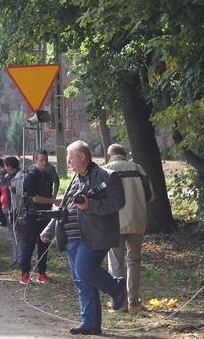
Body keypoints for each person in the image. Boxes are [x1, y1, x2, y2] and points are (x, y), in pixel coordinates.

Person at [40, 140, 126, 336]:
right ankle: (91, 324)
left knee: (85, 269)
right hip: (71, 237)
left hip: (94, 235)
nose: (68, 161)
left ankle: (116, 288)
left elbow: (117, 202)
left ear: (82, 157)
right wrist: (50, 229)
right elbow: (64, 208)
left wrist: (91, 206)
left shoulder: (107, 176)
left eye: (70, 157)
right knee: (81, 280)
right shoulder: (75, 178)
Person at [104, 143, 155, 312]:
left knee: (115, 263)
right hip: (136, 220)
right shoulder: (138, 168)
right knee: (134, 261)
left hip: (113, 222)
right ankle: (134, 300)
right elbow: (150, 195)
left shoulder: (105, 170)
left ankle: (120, 303)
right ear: (124, 155)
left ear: (110, 156)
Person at [20, 149, 61, 285]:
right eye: (41, 160)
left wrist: (52, 198)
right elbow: (35, 198)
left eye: (46, 160)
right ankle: (25, 273)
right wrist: (53, 201)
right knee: (30, 244)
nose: (44, 162)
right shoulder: (31, 176)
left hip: (46, 214)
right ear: (35, 161)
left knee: (44, 243)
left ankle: (42, 272)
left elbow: (54, 186)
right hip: (33, 214)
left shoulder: (47, 176)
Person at [0, 156, 25, 268]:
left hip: (15, 208)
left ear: (10, 166)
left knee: (18, 235)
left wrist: (16, 190)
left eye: (5, 165)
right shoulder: (6, 177)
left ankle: (21, 259)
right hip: (6, 209)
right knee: (12, 235)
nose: (4, 168)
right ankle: (16, 258)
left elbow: (25, 192)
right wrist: (0, 175)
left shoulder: (20, 176)